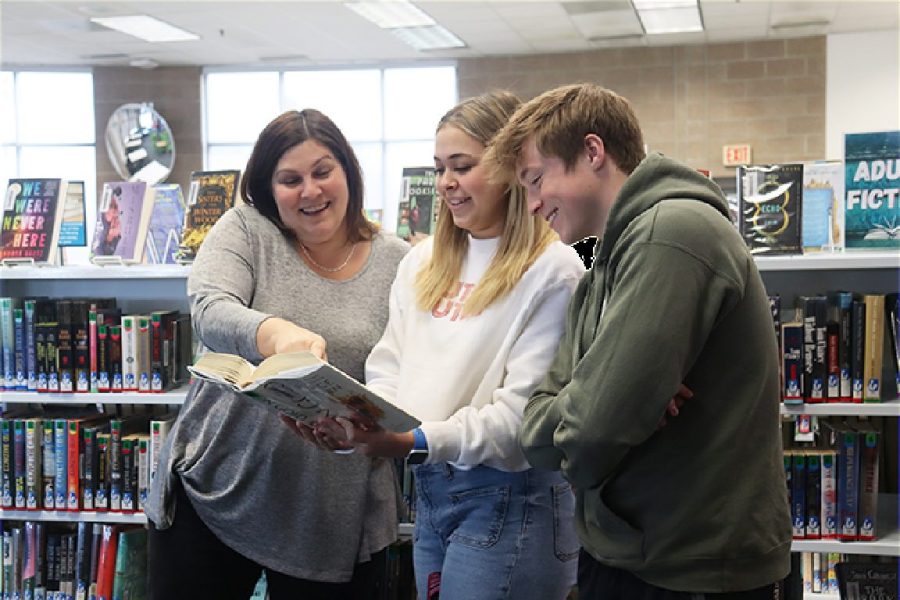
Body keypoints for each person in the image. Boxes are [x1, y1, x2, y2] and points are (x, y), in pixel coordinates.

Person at [485, 83, 793, 598]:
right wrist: (611, 392)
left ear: (592, 152)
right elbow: (536, 429)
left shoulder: (670, 234)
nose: (534, 204)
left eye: (537, 179)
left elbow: (592, 434)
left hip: (690, 567)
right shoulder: (606, 260)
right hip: (635, 552)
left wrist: (609, 400)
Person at [323, 91, 585, 599]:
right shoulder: (421, 263)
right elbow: (389, 362)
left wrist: (412, 442)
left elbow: (523, 421)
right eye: (440, 168)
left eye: (462, 167)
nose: (446, 183)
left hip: (513, 500)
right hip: (431, 489)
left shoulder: (553, 271)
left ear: (512, 168)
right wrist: (366, 421)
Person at [144, 108, 409, 600]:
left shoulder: (398, 260)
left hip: (330, 514)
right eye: (290, 179)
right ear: (268, 188)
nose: (310, 191)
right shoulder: (245, 230)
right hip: (219, 491)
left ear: (348, 172)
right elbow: (209, 308)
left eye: (323, 171)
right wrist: (278, 335)